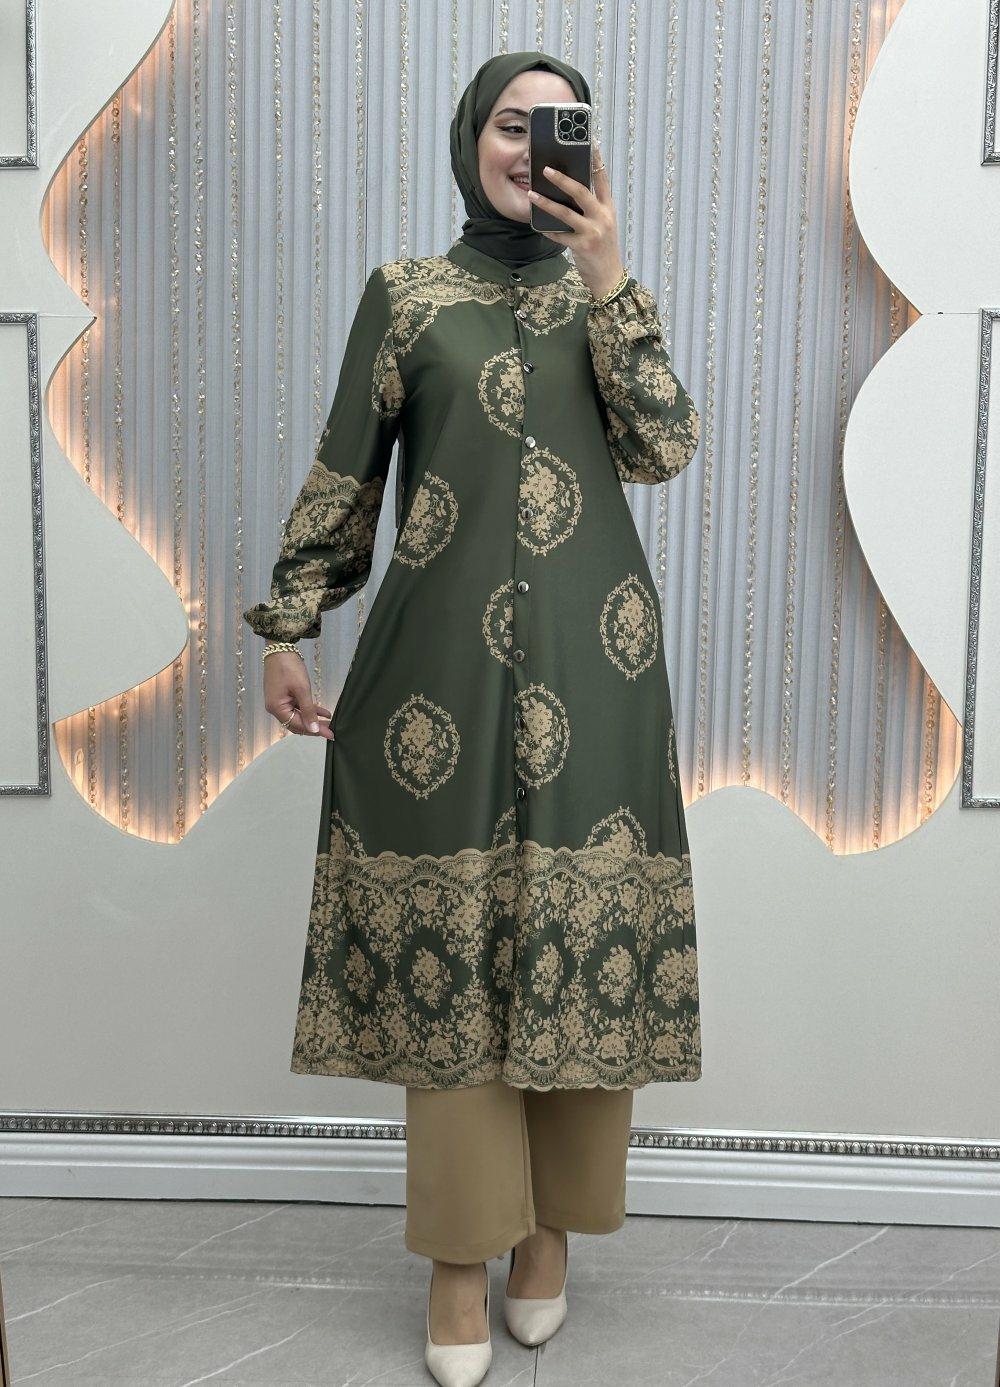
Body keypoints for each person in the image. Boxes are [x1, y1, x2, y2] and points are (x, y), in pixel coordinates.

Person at [244, 49, 702, 1387]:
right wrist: (287, 626)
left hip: (600, 670)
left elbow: (665, 447)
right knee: (452, 959)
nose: (530, 147)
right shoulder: (406, 296)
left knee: (578, 936)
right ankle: (459, 1257)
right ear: (472, 139)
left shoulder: (605, 297)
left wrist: (610, 277)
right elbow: (347, 470)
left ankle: (550, 1233)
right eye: (512, 123)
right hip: (433, 678)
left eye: (558, 127)